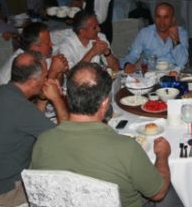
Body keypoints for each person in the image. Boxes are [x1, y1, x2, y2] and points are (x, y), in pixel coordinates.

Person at [31, 62, 177, 207]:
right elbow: (158, 193)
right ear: (105, 103)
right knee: (170, 192)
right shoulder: (126, 149)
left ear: (67, 97)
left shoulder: (43, 141)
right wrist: (162, 155)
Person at [0, 52, 68, 206]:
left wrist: (42, 98)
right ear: (33, 81)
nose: (47, 79)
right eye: (45, 76)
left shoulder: (0, 92)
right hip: (5, 192)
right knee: (69, 168)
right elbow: (66, 138)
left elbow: (30, 119)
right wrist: (56, 99)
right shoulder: (20, 108)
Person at [0, 22, 69, 87]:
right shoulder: (21, 65)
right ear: (36, 47)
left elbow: (57, 86)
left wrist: (60, 72)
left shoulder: (40, 56)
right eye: (48, 42)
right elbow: (42, 95)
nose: (52, 45)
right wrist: (53, 72)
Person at [121, 3, 189, 73]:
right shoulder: (145, 33)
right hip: (150, 75)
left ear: (173, 19)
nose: (161, 22)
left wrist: (175, 39)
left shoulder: (181, 33)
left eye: (166, 17)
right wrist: (127, 65)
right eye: (158, 17)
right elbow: (132, 55)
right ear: (154, 18)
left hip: (173, 74)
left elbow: (182, 62)